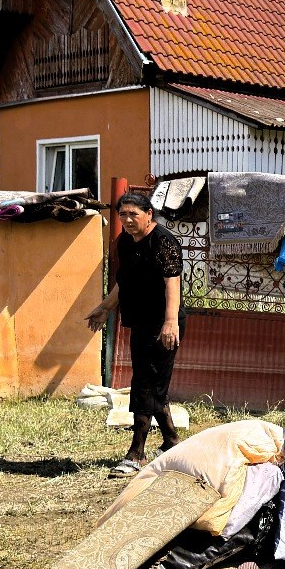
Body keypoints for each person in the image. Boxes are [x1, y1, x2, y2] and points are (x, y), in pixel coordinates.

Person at [87, 190, 183, 474]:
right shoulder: (126, 242)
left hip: (163, 323)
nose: (128, 220)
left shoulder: (163, 241)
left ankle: (136, 453)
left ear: (149, 214)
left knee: (145, 384)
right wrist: (104, 307)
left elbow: (172, 283)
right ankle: (172, 441)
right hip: (140, 321)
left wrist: (170, 322)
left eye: (134, 214)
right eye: (123, 215)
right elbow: (124, 283)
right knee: (150, 382)